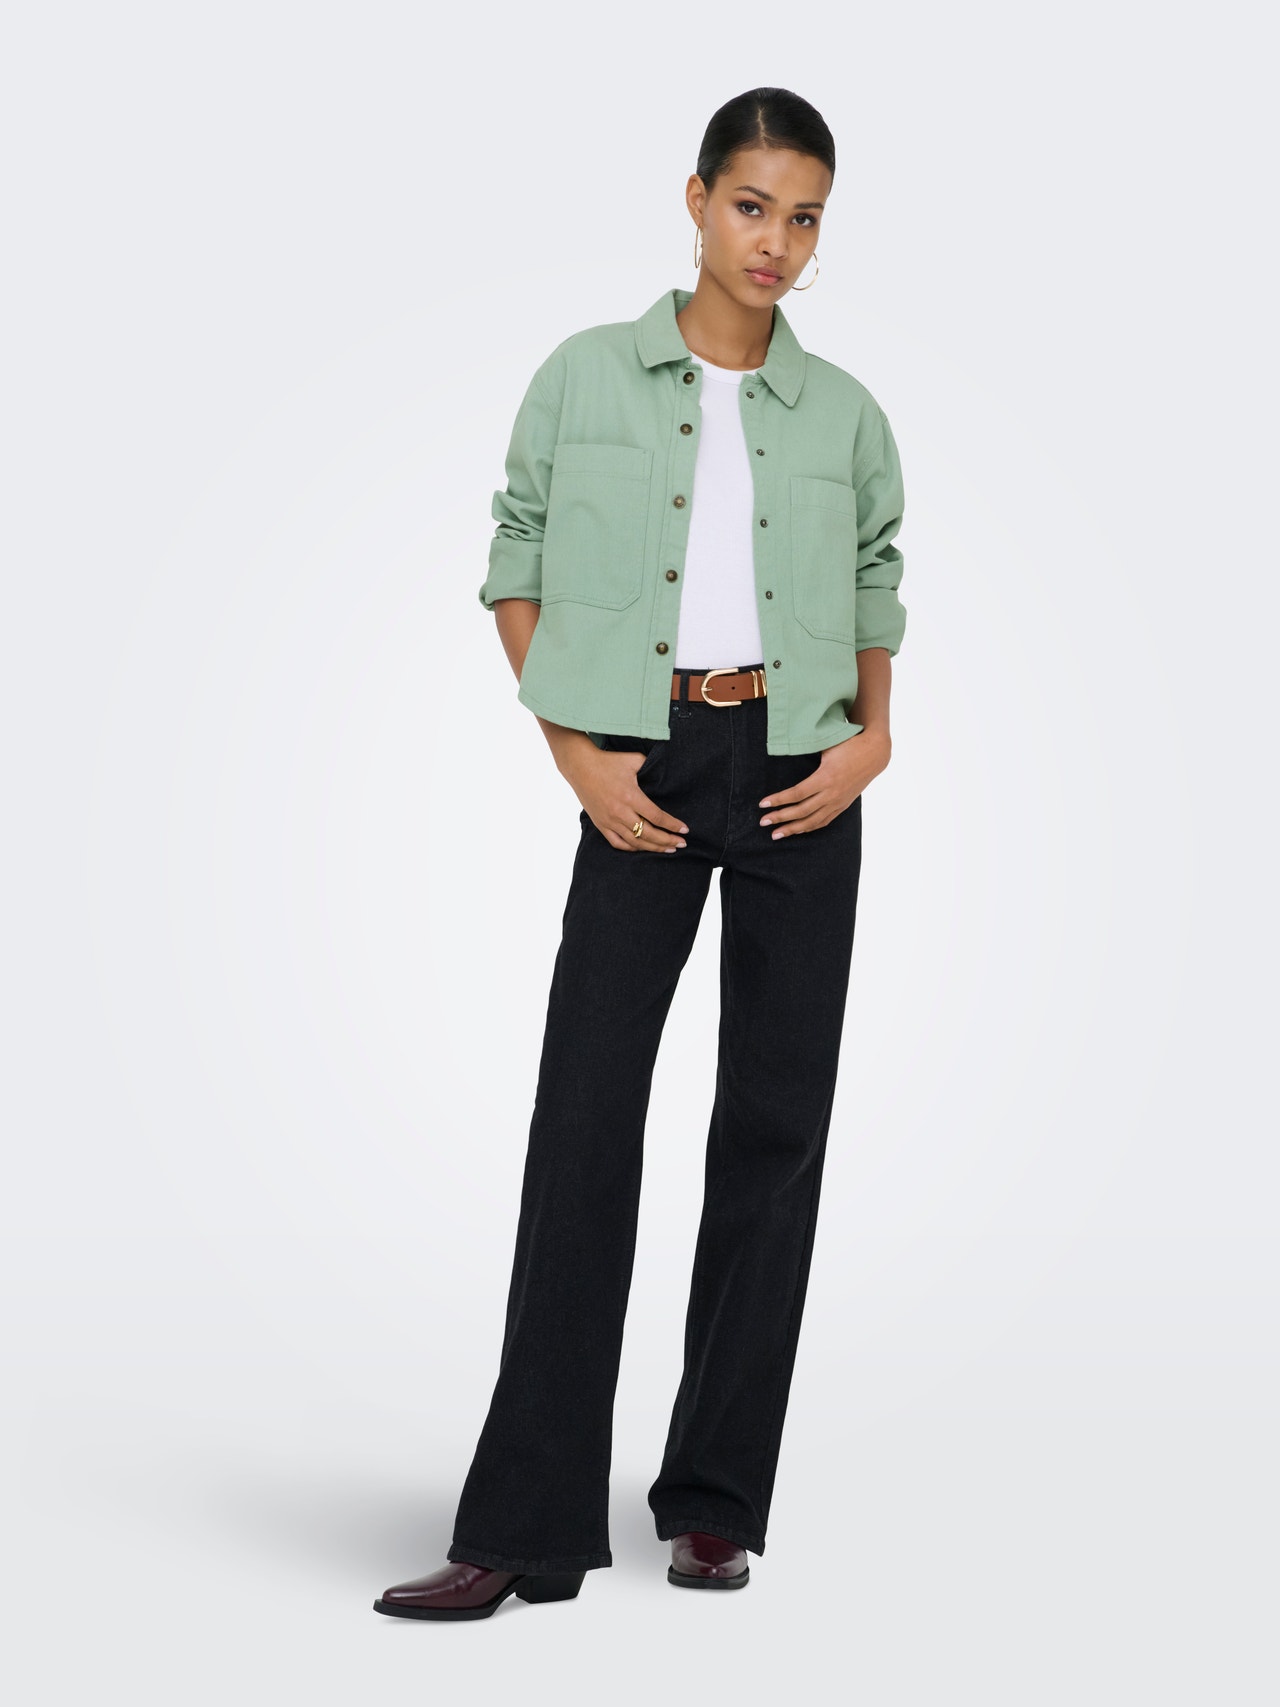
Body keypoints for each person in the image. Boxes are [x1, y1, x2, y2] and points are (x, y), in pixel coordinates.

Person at [373, 85, 907, 1623]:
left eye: (803, 218)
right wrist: (574, 752)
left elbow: (877, 582)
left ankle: (716, 1504)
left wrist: (872, 742)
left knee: (773, 1135)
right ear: (696, 200)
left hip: (804, 774)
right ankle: (526, 1528)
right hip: (640, 767)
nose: (776, 242)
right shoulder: (587, 376)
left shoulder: (847, 414)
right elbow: (516, 558)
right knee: (587, 1124)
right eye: (752, 206)